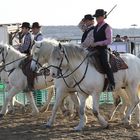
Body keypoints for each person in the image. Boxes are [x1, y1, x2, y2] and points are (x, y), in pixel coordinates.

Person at [93, 9, 115, 91]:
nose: (97, 18)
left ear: (103, 17)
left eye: (98, 17)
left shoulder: (107, 27)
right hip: (94, 49)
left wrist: (97, 43)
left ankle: (112, 84)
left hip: (103, 49)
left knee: (105, 64)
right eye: (96, 17)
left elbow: (109, 41)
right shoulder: (96, 27)